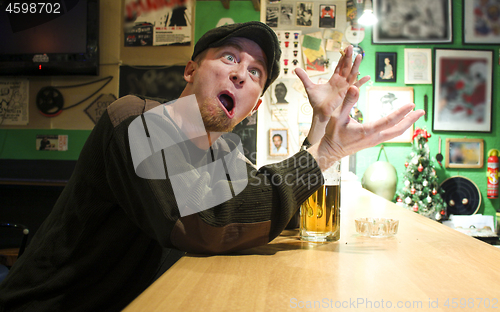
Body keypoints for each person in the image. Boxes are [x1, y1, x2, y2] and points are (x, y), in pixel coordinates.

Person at [0, 21, 423, 311]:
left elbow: (265, 215)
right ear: (190, 68)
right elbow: (211, 221)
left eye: (256, 72)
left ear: (254, 106)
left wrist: (320, 131)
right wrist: (324, 154)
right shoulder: (133, 118)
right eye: (229, 58)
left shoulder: (226, 155)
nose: (241, 74)